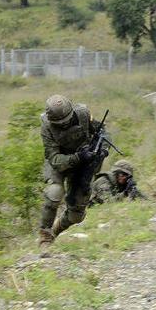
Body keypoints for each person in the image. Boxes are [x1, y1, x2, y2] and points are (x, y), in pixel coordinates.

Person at [38, 94, 109, 248]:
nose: (65, 124)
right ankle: (45, 236)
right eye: (60, 123)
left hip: (83, 163)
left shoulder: (83, 114)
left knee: (76, 215)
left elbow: (101, 130)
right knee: (54, 192)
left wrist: (102, 150)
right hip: (59, 163)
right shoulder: (47, 127)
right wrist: (77, 157)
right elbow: (54, 158)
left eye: (67, 120)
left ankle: (55, 230)